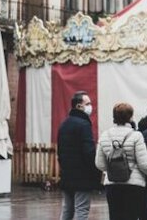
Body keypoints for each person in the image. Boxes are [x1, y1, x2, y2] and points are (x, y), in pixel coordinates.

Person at [96, 103, 147, 220]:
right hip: (134, 185)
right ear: (130, 117)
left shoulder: (104, 135)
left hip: (112, 184)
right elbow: (144, 164)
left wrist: (113, 169)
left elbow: (99, 164)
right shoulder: (136, 136)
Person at [57, 91, 96, 220]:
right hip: (82, 176)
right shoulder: (84, 125)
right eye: (88, 103)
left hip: (67, 174)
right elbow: (89, 152)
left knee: (67, 208)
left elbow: (60, 151)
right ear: (79, 106)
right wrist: (95, 171)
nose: (91, 106)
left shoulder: (64, 124)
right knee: (82, 209)